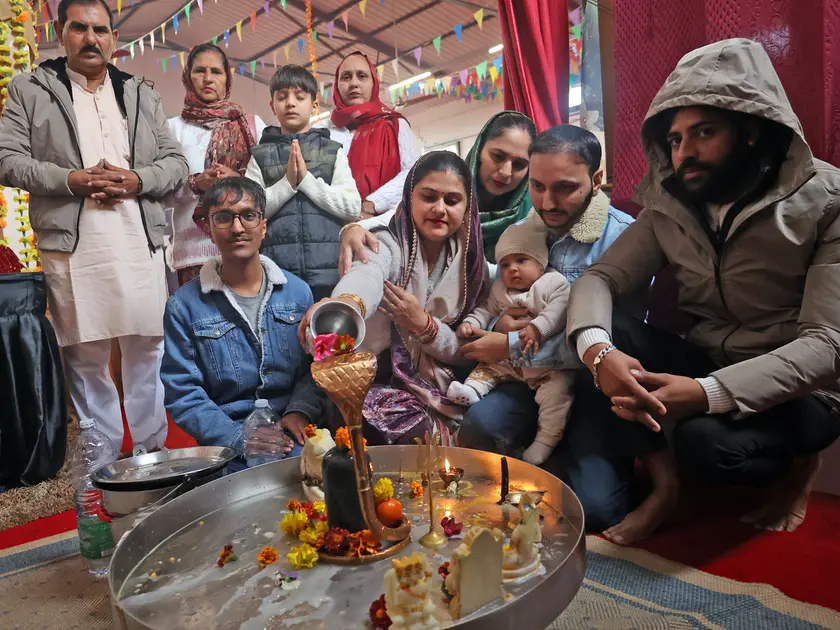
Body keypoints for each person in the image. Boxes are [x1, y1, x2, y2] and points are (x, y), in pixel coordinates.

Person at [567, 38, 840, 541]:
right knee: (610, 338)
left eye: (704, 132)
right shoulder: (671, 206)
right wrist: (598, 350)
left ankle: (800, 469)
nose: (685, 153)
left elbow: (827, 346)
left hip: (803, 388)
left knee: (708, 446)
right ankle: (665, 490)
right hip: (709, 356)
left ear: (753, 129)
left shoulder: (829, 201)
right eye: (674, 139)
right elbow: (599, 277)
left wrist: (707, 394)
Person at [456, 126, 670, 539]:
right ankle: (547, 459)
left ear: (596, 178)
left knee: (595, 509)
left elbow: (617, 338)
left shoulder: (623, 236)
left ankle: (565, 456)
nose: (547, 202)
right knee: (479, 425)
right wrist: (500, 321)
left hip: (594, 387)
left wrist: (511, 342)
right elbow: (502, 294)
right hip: (529, 377)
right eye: (536, 186)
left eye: (565, 188)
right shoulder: (526, 226)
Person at [0, 0, 188, 454]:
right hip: (72, 242)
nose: (91, 38)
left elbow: (176, 164)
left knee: (147, 349)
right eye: (79, 28)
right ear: (62, 34)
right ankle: (104, 463)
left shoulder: (141, 92)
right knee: (86, 355)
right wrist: (71, 180)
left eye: (100, 29)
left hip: (137, 237)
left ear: (114, 39)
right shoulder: (30, 89)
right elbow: (7, 160)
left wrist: (136, 179)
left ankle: (152, 455)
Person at [298, 151, 490, 445]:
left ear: (467, 208)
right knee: (416, 437)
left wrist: (424, 326)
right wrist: (347, 305)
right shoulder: (387, 242)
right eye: (429, 197)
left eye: (452, 201)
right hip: (377, 379)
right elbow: (368, 273)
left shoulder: (473, 267)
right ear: (409, 198)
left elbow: (468, 349)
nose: (440, 209)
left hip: (448, 383)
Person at [161, 177, 330, 471]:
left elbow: (316, 368)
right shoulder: (183, 306)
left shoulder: (298, 292)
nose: (237, 228)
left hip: (293, 430)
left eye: (248, 216)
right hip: (226, 441)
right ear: (209, 230)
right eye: (224, 218)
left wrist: (300, 410)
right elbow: (183, 394)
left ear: (263, 226)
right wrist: (240, 437)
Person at [338, 111, 537, 272]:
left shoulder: (533, 216)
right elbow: (406, 214)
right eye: (498, 156)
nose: (505, 172)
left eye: (519, 164)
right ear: (479, 151)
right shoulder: (450, 185)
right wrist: (353, 228)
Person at [447, 221, 573, 465]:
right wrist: (472, 324)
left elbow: (561, 309)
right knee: (486, 367)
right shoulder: (500, 289)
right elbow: (486, 309)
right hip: (509, 363)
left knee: (557, 395)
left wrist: (538, 327)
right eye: (505, 264)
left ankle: (545, 441)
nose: (512, 269)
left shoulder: (552, 284)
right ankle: (472, 390)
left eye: (521, 261)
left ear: (540, 262)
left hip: (547, 367)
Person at [246, 64, 360, 301]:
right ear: (272, 106)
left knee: (329, 338)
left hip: (330, 276)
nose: (290, 103)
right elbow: (250, 212)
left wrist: (306, 181)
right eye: (282, 97)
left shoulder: (332, 151)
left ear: (314, 105)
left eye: (299, 97)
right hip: (276, 277)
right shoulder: (259, 155)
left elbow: (352, 207)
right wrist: (287, 184)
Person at [167, 43, 265, 286]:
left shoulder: (252, 126)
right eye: (199, 71)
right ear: (187, 77)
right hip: (192, 255)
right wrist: (197, 183)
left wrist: (238, 181)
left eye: (216, 72)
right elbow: (160, 194)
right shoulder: (171, 129)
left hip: (245, 248)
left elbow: (270, 188)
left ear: (227, 78)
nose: (208, 79)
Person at [317, 51, 420, 221]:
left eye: (362, 76)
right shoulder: (322, 130)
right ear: (336, 85)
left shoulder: (394, 125)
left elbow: (414, 172)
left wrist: (371, 204)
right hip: (329, 227)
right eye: (346, 77)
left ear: (374, 83)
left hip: (383, 226)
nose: (354, 83)